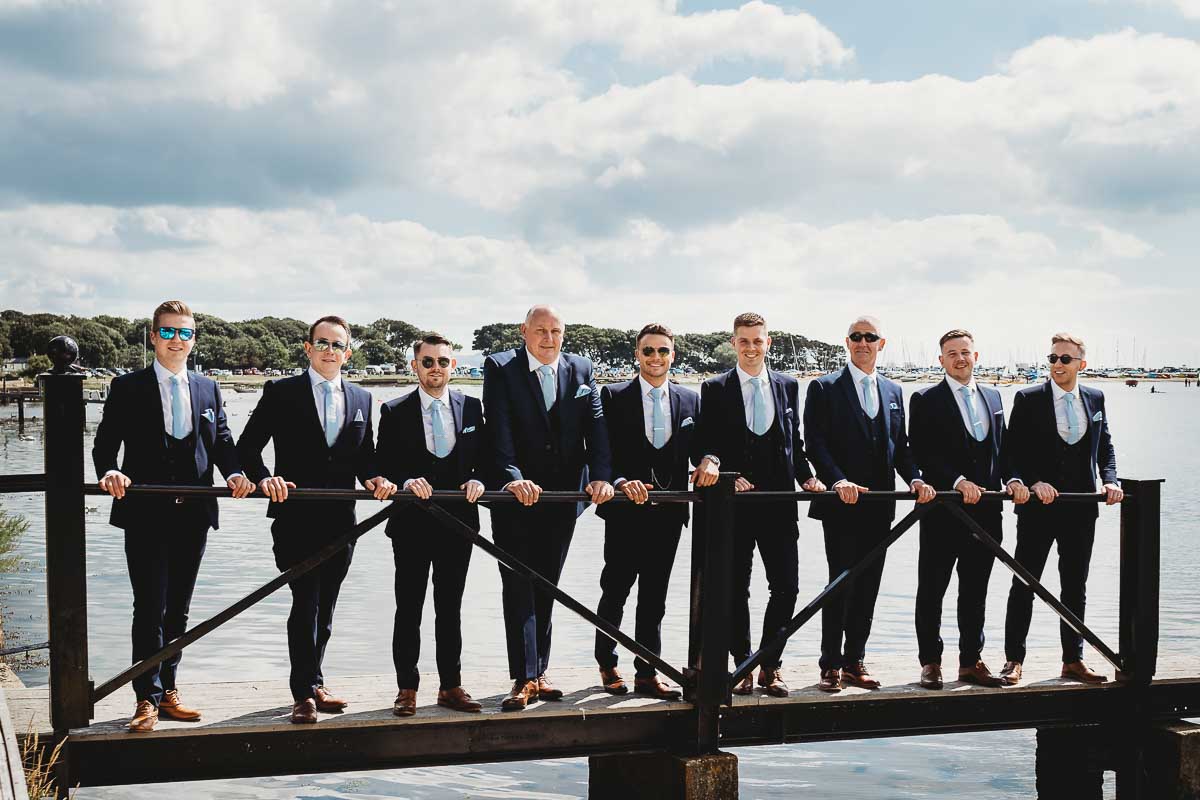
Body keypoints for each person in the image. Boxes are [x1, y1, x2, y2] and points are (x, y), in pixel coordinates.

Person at [93, 300, 255, 732]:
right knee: (148, 607)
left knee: (178, 611)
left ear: (194, 339)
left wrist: (237, 471)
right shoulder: (127, 387)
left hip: (194, 515)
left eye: (184, 333)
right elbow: (105, 443)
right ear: (153, 336)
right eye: (167, 332)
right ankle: (144, 697)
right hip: (145, 513)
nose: (176, 340)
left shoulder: (208, 388)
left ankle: (169, 690)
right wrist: (109, 470)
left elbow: (221, 439)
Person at [237, 315, 397, 724]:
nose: (330, 351)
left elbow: (365, 457)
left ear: (348, 351)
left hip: (343, 520)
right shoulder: (281, 392)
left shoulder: (362, 398)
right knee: (305, 602)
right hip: (294, 517)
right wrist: (263, 478)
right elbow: (247, 448)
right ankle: (302, 693)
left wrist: (375, 477)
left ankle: (316, 680)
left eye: (337, 345)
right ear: (308, 348)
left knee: (326, 607)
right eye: (322, 343)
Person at [484, 305, 614, 710]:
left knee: (547, 583)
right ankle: (523, 677)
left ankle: (540, 670)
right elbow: (499, 427)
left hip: (562, 498)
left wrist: (602, 475)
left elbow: (596, 427)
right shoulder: (500, 366)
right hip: (513, 496)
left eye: (556, 331)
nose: (548, 338)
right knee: (518, 583)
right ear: (524, 331)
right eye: (540, 330)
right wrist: (512, 476)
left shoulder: (581, 369)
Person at [692, 312, 824, 697]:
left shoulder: (788, 385)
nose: (751, 348)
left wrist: (808, 478)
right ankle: (743, 663)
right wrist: (723, 467)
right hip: (735, 506)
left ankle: (771, 664)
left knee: (787, 587)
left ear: (769, 343)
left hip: (781, 504)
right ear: (733, 344)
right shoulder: (714, 388)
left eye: (758, 341)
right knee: (737, 588)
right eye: (744, 341)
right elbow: (707, 442)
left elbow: (793, 443)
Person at [804, 315, 935, 693]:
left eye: (870, 337)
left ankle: (854, 661)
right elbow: (815, 443)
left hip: (881, 506)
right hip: (841, 504)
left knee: (869, 585)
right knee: (839, 583)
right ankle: (829, 664)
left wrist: (915, 478)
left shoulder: (894, 391)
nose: (863, 342)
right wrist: (837, 480)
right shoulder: (823, 387)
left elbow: (900, 447)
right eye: (856, 337)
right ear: (847, 342)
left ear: (882, 343)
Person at [908, 329, 1030, 690]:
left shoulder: (993, 396)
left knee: (975, 591)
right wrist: (957, 480)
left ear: (976, 357)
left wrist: (1013, 478)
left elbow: (1002, 449)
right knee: (932, 589)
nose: (960, 358)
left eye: (965, 352)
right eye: (952, 353)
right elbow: (922, 451)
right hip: (943, 511)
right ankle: (930, 662)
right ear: (941, 360)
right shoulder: (925, 398)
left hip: (988, 514)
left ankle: (970, 661)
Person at [1000, 333, 1122, 686]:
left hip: (1081, 510)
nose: (1056, 365)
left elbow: (1106, 446)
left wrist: (1110, 480)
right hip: (1038, 509)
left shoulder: (1096, 397)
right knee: (1025, 582)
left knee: (1075, 586)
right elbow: (1012, 451)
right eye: (1052, 358)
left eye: (1065, 359)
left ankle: (1073, 660)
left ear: (1081, 364)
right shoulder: (1028, 398)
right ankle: (1013, 660)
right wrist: (1032, 481)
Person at [377, 334, 486, 717]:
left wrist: (480, 480)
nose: (435, 368)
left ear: (452, 366)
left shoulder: (473, 408)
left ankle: (450, 686)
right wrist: (405, 481)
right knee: (408, 607)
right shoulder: (393, 410)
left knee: (450, 608)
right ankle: (407, 688)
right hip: (410, 526)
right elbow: (382, 464)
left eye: (442, 361)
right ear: (415, 366)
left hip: (459, 525)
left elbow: (485, 460)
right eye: (427, 362)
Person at [594, 323, 700, 699]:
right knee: (616, 589)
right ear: (637, 355)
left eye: (663, 351)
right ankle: (607, 663)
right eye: (649, 351)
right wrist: (620, 481)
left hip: (670, 515)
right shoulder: (612, 395)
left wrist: (711, 460)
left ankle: (647, 672)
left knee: (655, 597)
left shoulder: (690, 400)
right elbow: (600, 452)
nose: (656, 358)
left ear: (674, 355)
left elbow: (704, 447)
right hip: (624, 512)